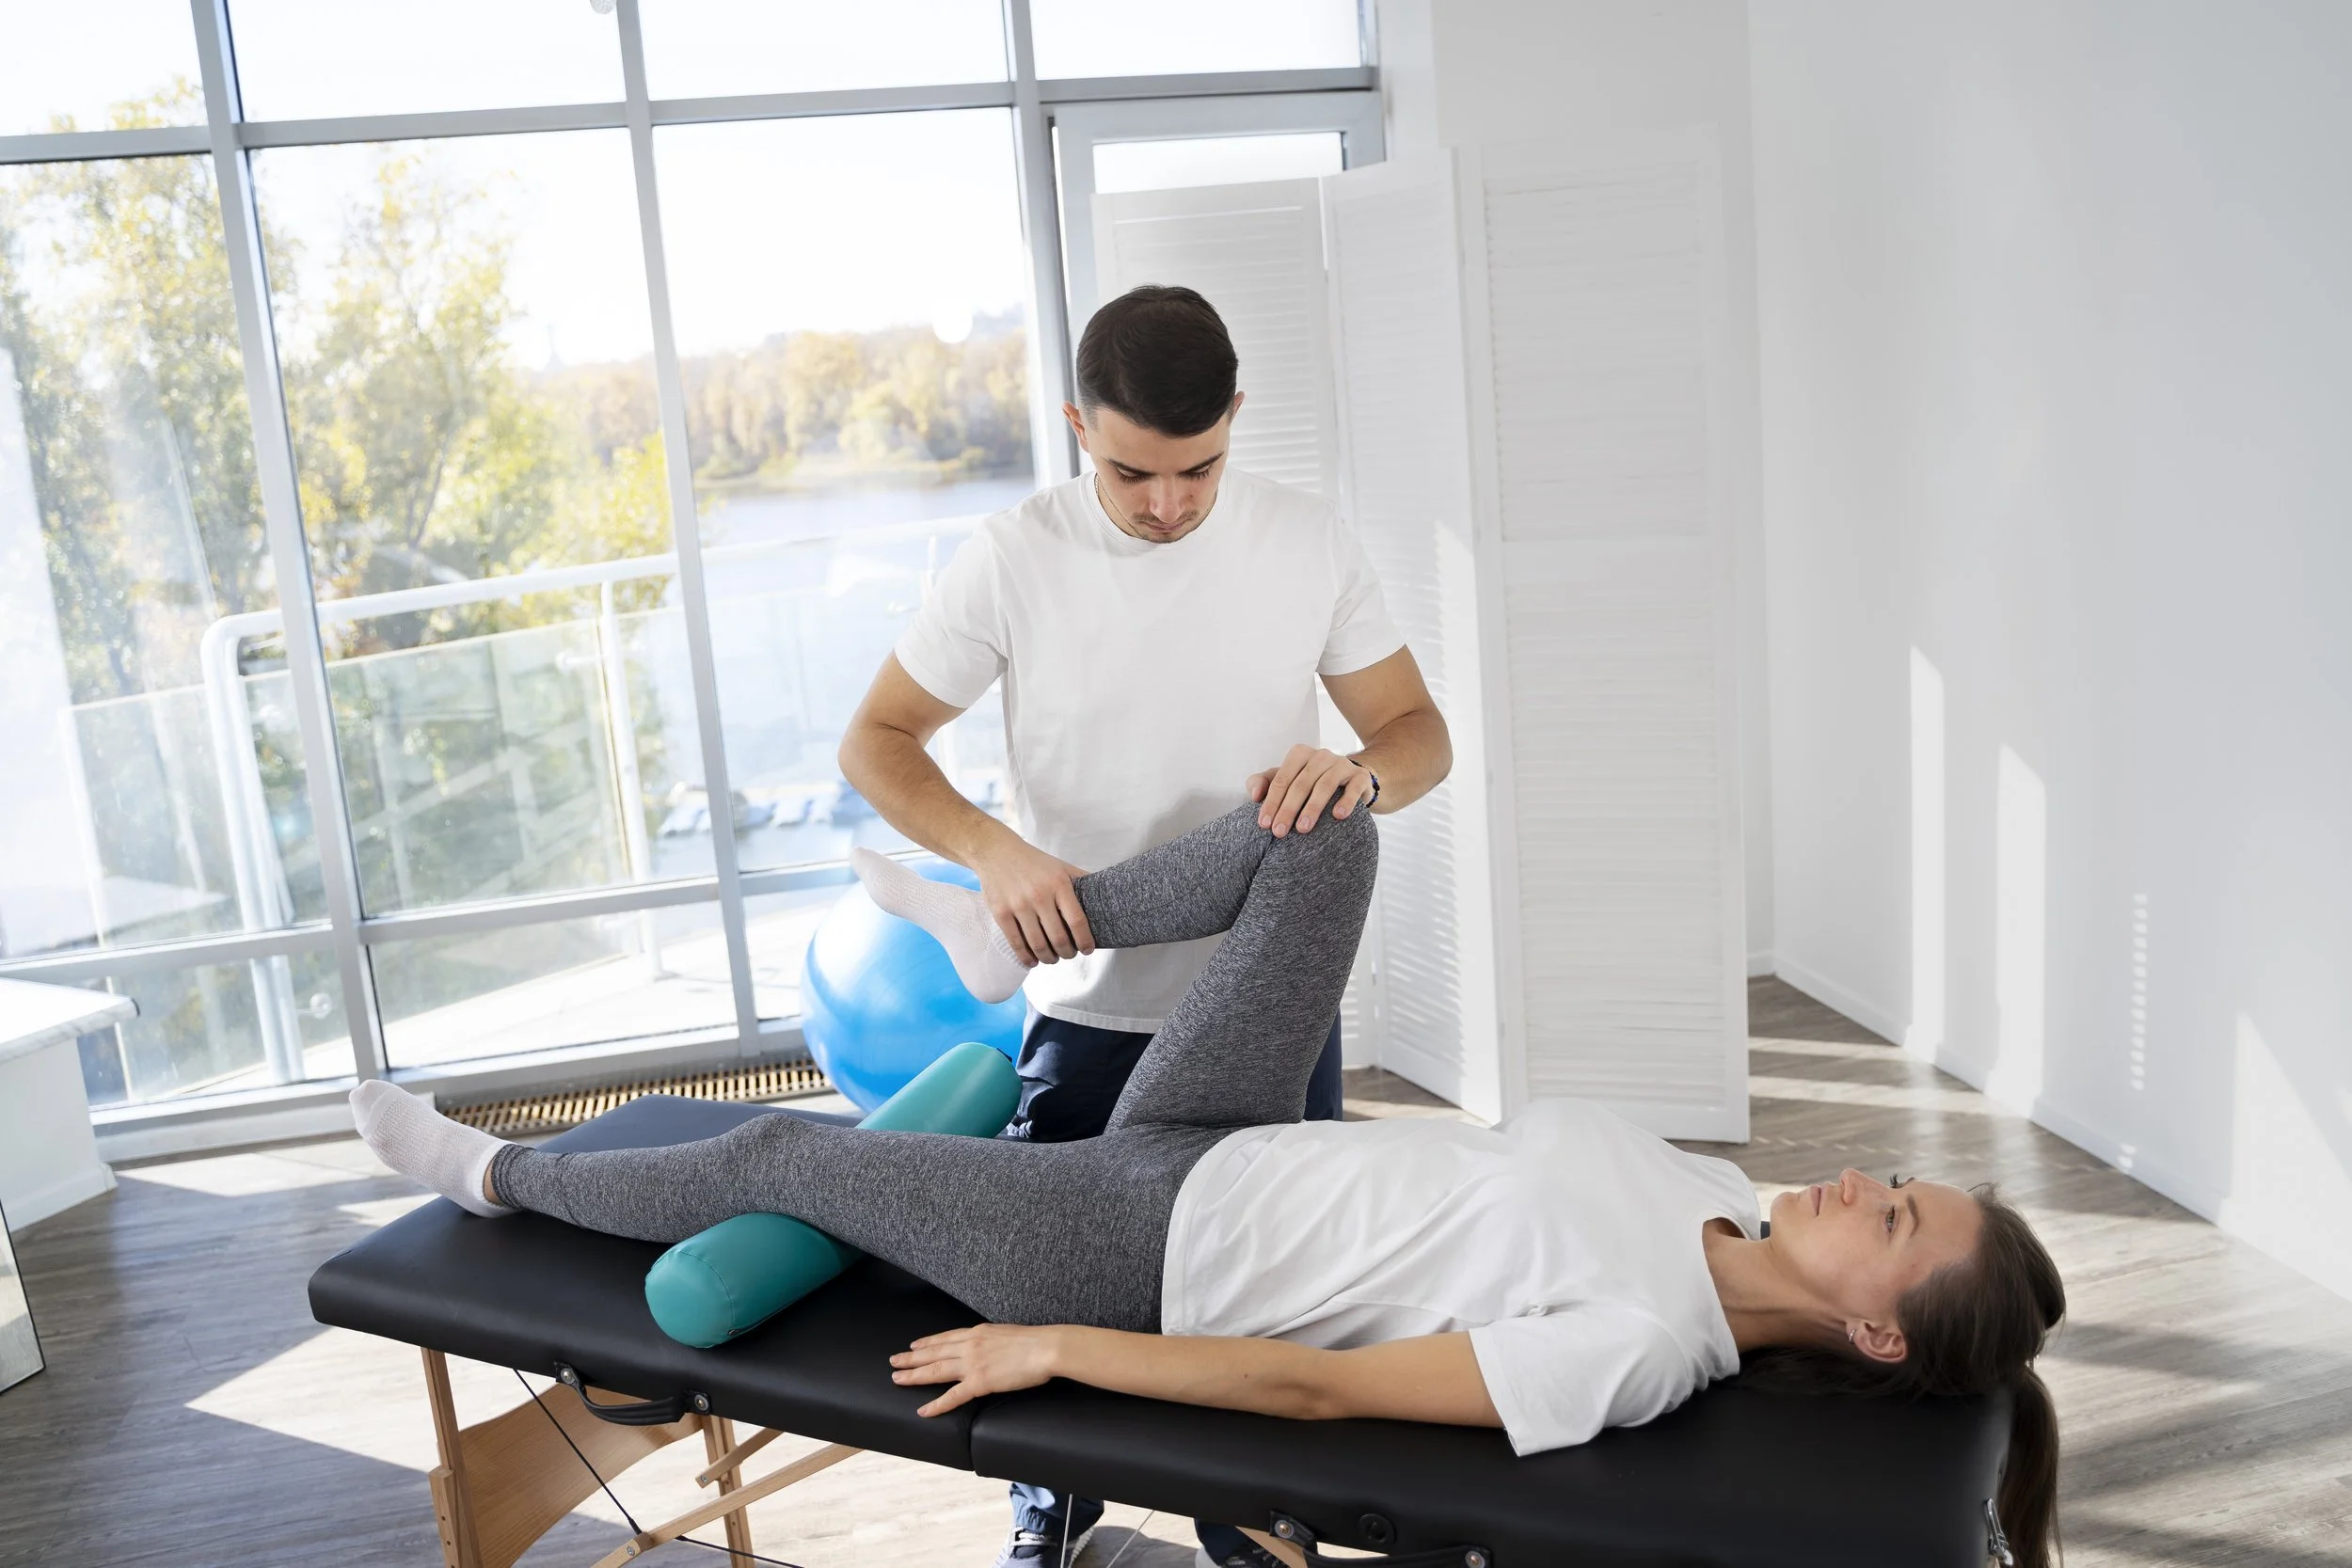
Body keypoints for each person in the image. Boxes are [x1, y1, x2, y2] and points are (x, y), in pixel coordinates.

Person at [354, 806, 2069, 1568]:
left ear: (1871, 1323)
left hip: (1141, 1249)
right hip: (1230, 1133)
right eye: (1903, 1175)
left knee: (790, 1150)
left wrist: (1056, 1350)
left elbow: (1313, 1387)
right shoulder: (1716, 1184)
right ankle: (1008, 922)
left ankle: (502, 1176)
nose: (1866, 1177)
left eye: (1897, 1216)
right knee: (1329, 831)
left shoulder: (1637, 1346)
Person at [836, 282, 1452, 1565]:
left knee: (1277, 1311)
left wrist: (1363, 775)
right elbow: (877, 742)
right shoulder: (1013, 557)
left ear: (1236, 417)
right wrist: (993, 848)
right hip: (1089, 1006)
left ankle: (1261, 1534)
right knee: (1058, 1294)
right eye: (1131, 473)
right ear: (1076, 425)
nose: (1168, 503)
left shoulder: (1310, 539)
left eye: (1199, 468)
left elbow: (1418, 732)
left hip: (1269, 1010)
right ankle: (1049, 1517)